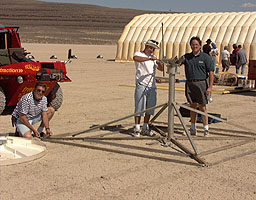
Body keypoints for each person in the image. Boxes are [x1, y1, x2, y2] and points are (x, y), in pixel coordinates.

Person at [183, 36, 214, 136]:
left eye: (196, 44)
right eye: (193, 44)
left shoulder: (205, 57)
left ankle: (206, 129)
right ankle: (193, 128)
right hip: (190, 84)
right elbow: (176, 62)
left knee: (202, 107)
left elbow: (211, 73)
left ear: (200, 46)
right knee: (192, 106)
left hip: (201, 84)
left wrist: (210, 87)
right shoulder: (187, 57)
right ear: (190, 46)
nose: (194, 46)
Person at [132, 39, 164, 137]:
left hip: (152, 86)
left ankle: (145, 127)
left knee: (150, 107)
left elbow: (161, 68)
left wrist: (158, 62)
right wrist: (149, 59)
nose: (152, 50)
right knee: (139, 107)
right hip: (142, 84)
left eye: (153, 48)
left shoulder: (153, 58)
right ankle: (137, 127)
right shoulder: (139, 54)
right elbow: (136, 58)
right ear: (146, 46)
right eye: (150, 48)